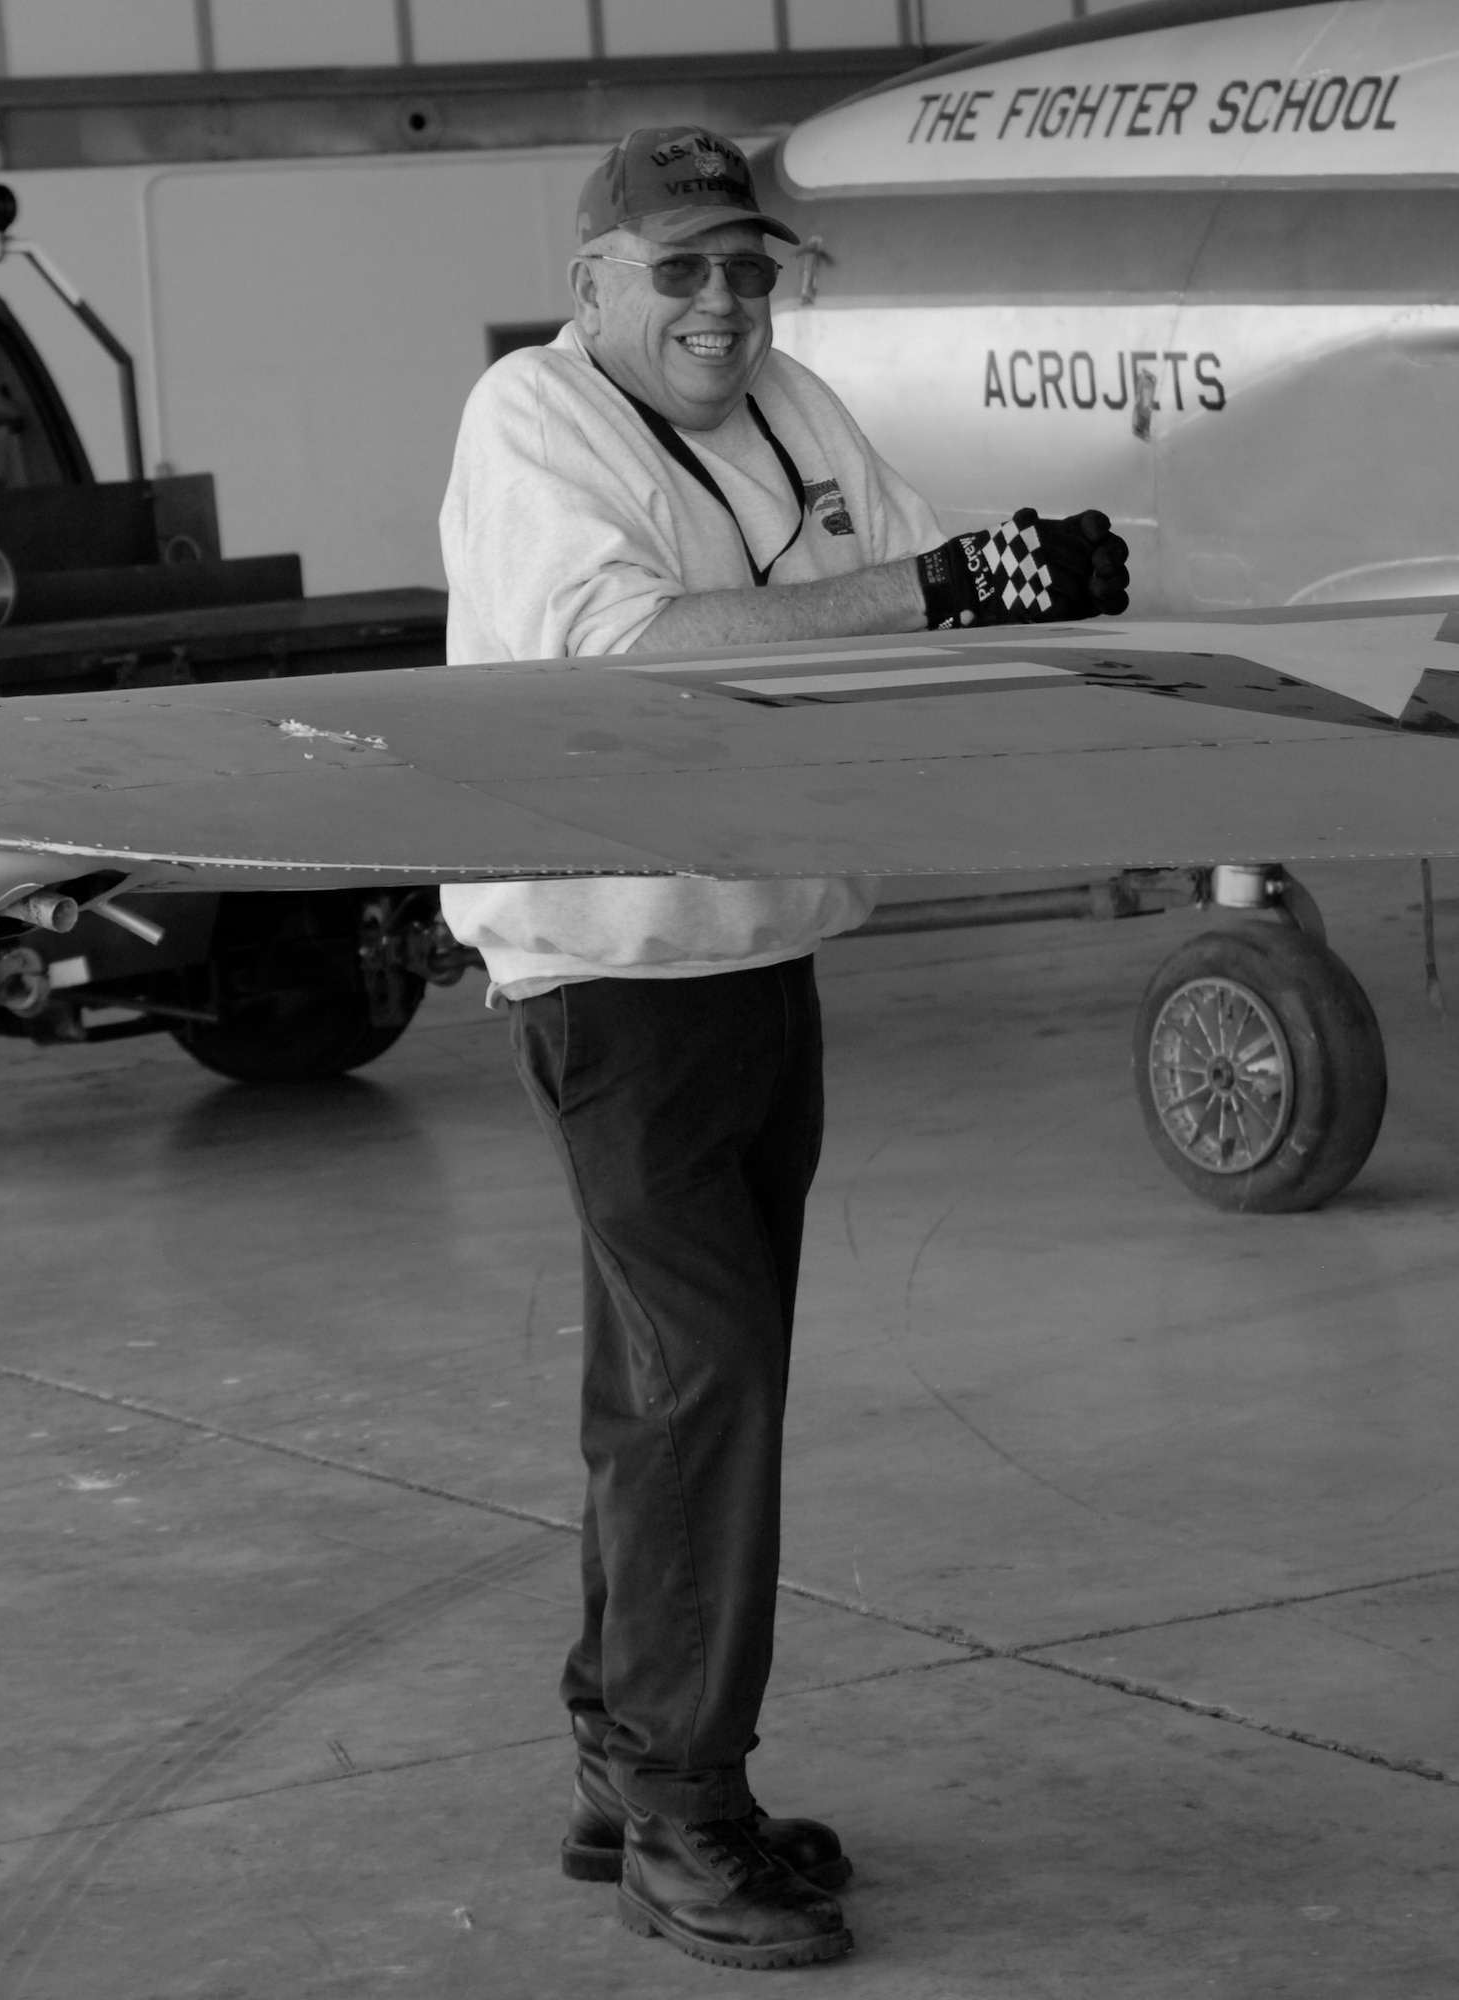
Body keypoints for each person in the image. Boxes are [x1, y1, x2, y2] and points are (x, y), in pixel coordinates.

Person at [438, 126, 1128, 1972]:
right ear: (596, 279)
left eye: (750, 268)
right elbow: (620, 647)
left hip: (759, 948)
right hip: (616, 968)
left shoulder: (798, 407)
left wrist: (1054, 592)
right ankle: (682, 1808)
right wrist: (940, 591)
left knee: (671, 1383)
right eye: (681, 271)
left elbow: (913, 580)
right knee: (707, 1385)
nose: (725, 305)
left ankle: (627, 1758)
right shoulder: (534, 421)